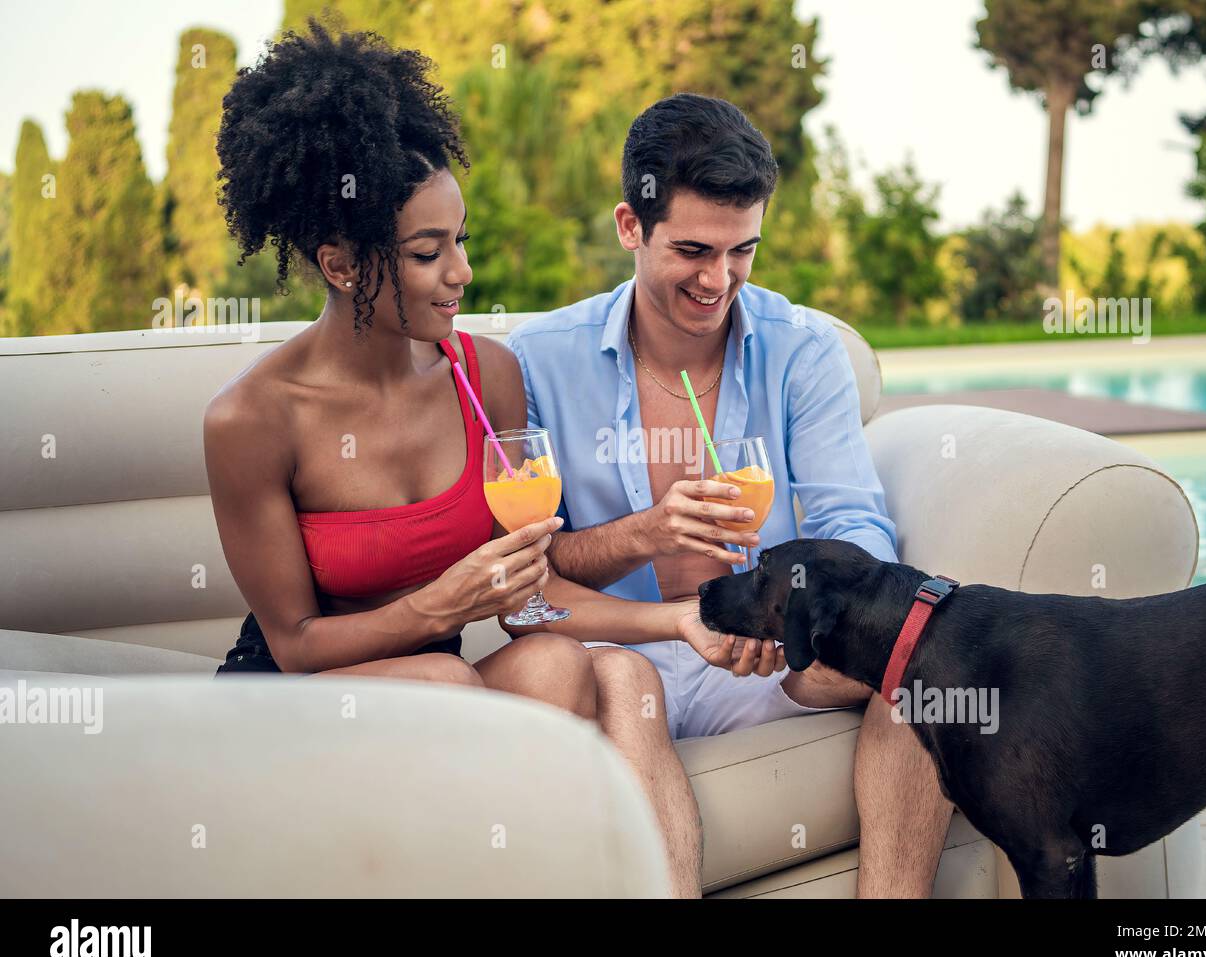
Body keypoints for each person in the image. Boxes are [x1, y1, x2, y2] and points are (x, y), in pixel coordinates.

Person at [203, 23, 736, 897]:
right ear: (339, 264)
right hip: (293, 705)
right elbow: (296, 646)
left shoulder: (485, 376)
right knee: (447, 672)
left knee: (607, 672)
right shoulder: (253, 419)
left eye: (460, 238)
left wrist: (676, 619)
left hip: (440, 696)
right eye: (427, 252)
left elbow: (533, 597)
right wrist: (439, 604)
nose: (463, 271)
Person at [509, 93, 956, 898]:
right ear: (629, 226)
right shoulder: (539, 358)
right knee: (624, 686)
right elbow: (530, 578)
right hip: (623, 652)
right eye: (692, 250)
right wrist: (643, 533)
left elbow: (851, 521)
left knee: (921, 664)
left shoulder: (804, 350)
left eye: (742, 251)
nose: (719, 281)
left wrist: (801, 612)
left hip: (770, 655)